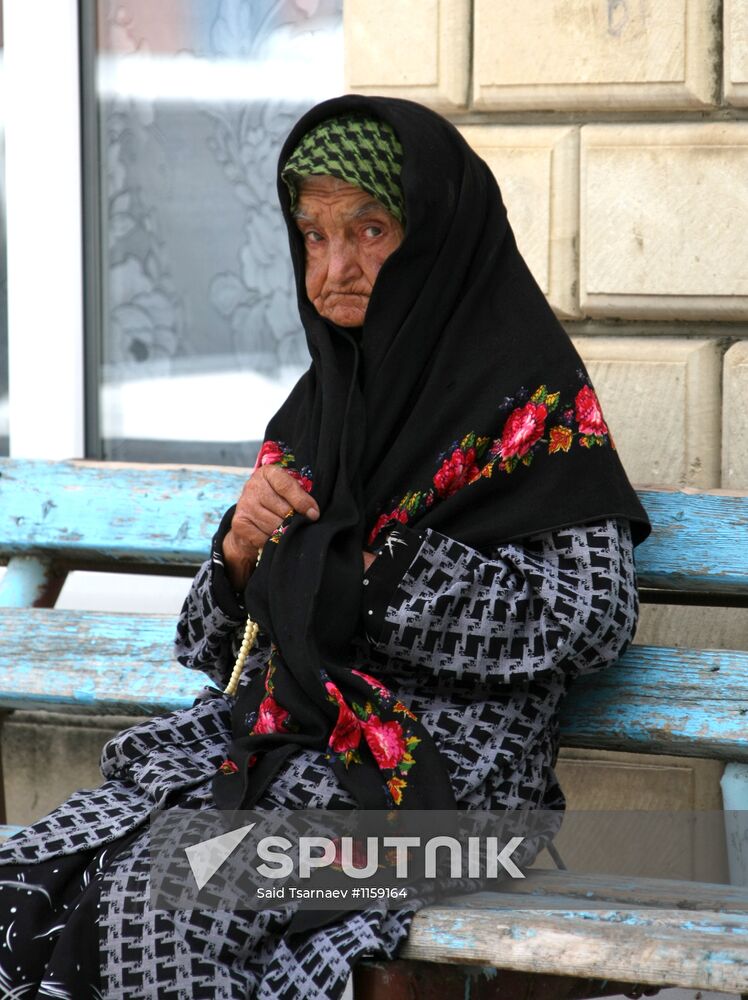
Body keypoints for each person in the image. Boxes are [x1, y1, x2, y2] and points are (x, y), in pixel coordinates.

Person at [0, 96, 650, 999]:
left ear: (435, 234)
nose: (333, 269)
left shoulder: (529, 403)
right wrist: (238, 553)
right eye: (312, 237)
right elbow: (216, 652)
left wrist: (375, 573)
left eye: (369, 230)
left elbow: (591, 619)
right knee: (32, 878)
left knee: (171, 896)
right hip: (279, 763)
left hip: (452, 797)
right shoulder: (324, 407)